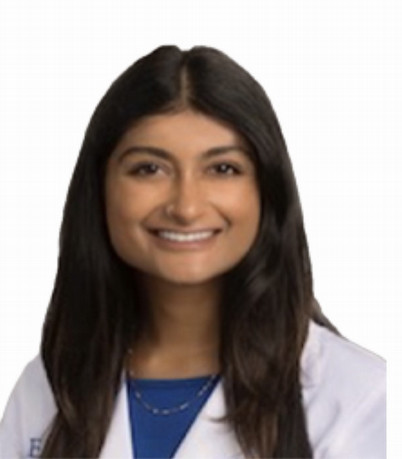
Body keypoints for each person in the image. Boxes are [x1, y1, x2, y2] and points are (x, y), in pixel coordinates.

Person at [0, 45, 385, 459]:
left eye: (223, 169)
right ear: (99, 190)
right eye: (149, 169)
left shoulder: (358, 397)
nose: (186, 207)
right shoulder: (47, 388)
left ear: (266, 192)